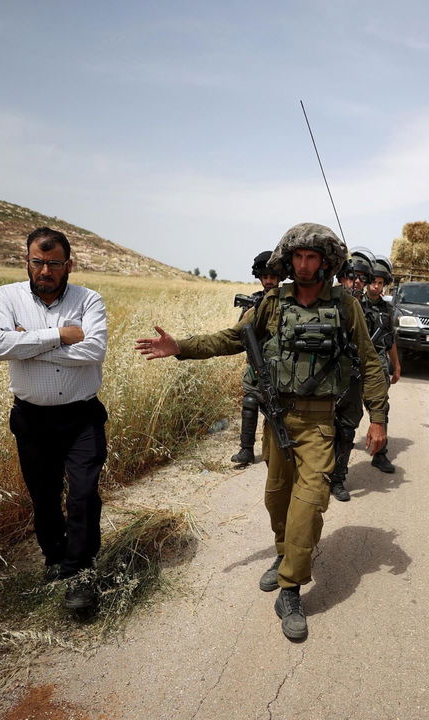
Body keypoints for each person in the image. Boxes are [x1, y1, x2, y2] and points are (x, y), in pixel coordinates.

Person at [135, 223, 389, 641]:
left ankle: (291, 587)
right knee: (277, 499)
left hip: (320, 423)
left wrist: (377, 418)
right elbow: (234, 338)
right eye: (298, 258)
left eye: (312, 258)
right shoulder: (273, 302)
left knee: (309, 504)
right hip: (278, 420)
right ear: (288, 261)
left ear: (326, 263)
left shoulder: (345, 306)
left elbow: (369, 360)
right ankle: (284, 553)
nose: (304, 265)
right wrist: (180, 347)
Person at [0, 227, 108, 612]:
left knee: (84, 494)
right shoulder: (7, 296)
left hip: (81, 416)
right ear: (27, 262)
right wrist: (60, 335)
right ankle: (55, 559)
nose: (46, 271)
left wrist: (29, 344)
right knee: (44, 496)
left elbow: (94, 351)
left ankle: (81, 573)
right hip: (32, 419)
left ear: (69, 265)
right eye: (38, 262)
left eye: (54, 263)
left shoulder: (90, 300)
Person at [329, 250, 384, 501]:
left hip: (353, 380)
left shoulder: (371, 312)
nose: (357, 282)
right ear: (341, 278)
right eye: (351, 277)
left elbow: (373, 353)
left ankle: (338, 478)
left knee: (347, 430)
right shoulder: (328, 303)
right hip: (325, 379)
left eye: (362, 278)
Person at [231, 250, 286, 465]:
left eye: (273, 277)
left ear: (279, 278)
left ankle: (275, 450)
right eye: (265, 277)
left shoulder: (285, 301)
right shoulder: (253, 302)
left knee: (276, 407)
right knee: (250, 401)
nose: (269, 281)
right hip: (255, 363)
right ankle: (246, 450)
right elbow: (239, 332)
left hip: (278, 365)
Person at [361, 256, 400, 473]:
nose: (375, 287)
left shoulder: (386, 310)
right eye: (372, 282)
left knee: (381, 408)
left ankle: (380, 453)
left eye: (380, 283)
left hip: (379, 365)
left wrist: (397, 365)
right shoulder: (355, 303)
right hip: (356, 364)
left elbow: (390, 339)